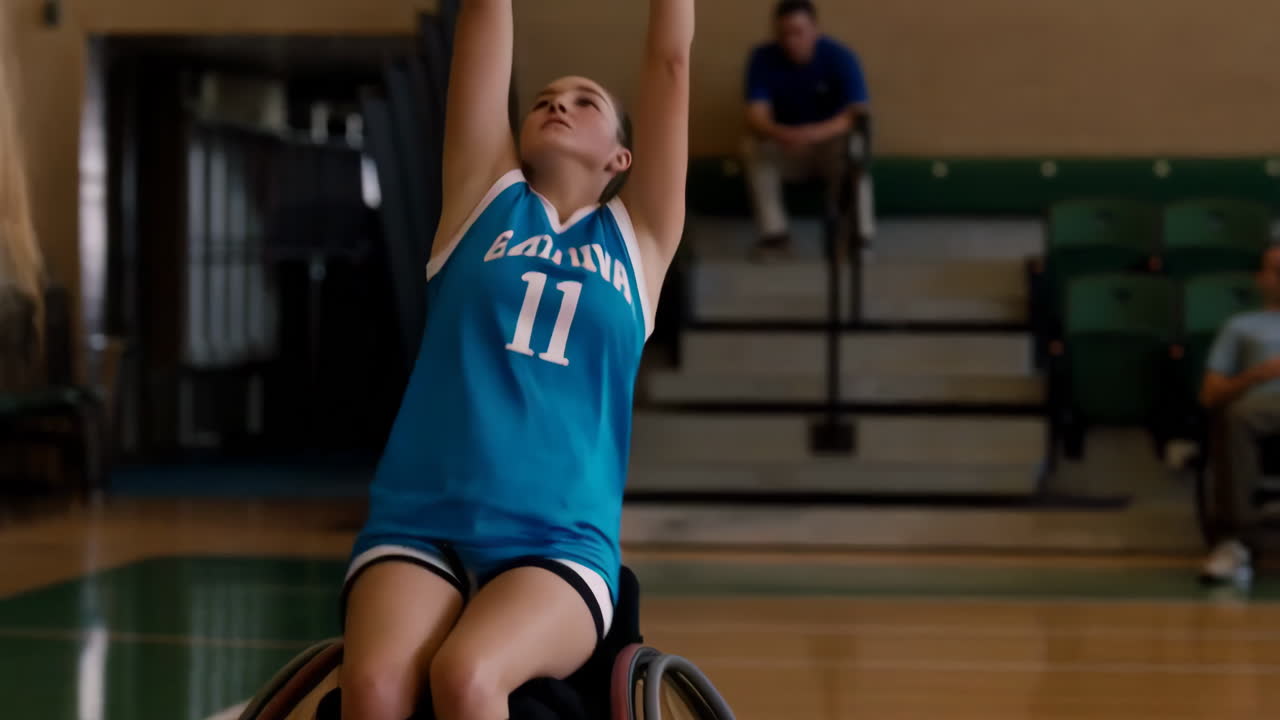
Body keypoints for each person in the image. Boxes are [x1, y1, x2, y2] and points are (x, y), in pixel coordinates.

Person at [339, 1, 693, 719]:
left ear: (620, 157)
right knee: (375, 688)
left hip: (557, 543)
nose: (558, 103)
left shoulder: (640, 239)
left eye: (584, 101)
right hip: (421, 519)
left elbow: (670, 64)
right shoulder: (482, 198)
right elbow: (483, 18)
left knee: (468, 675)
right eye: (544, 99)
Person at [742, 0, 870, 261]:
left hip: (829, 147)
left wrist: (812, 134)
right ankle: (775, 237)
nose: (791, 40)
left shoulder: (839, 57)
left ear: (814, 30)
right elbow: (756, 115)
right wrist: (782, 133)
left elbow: (856, 114)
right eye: (784, 33)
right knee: (753, 147)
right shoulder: (763, 58)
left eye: (798, 32)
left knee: (854, 150)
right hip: (787, 148)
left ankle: (858, 238)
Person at [1199, 245, 1280, 584]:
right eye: (1277, 269)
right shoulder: (1241, 326)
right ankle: (1238, 542)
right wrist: (1257, 375)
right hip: (1263, 402)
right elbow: (1209, 395)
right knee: (1235, 417)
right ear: (1262, 279)